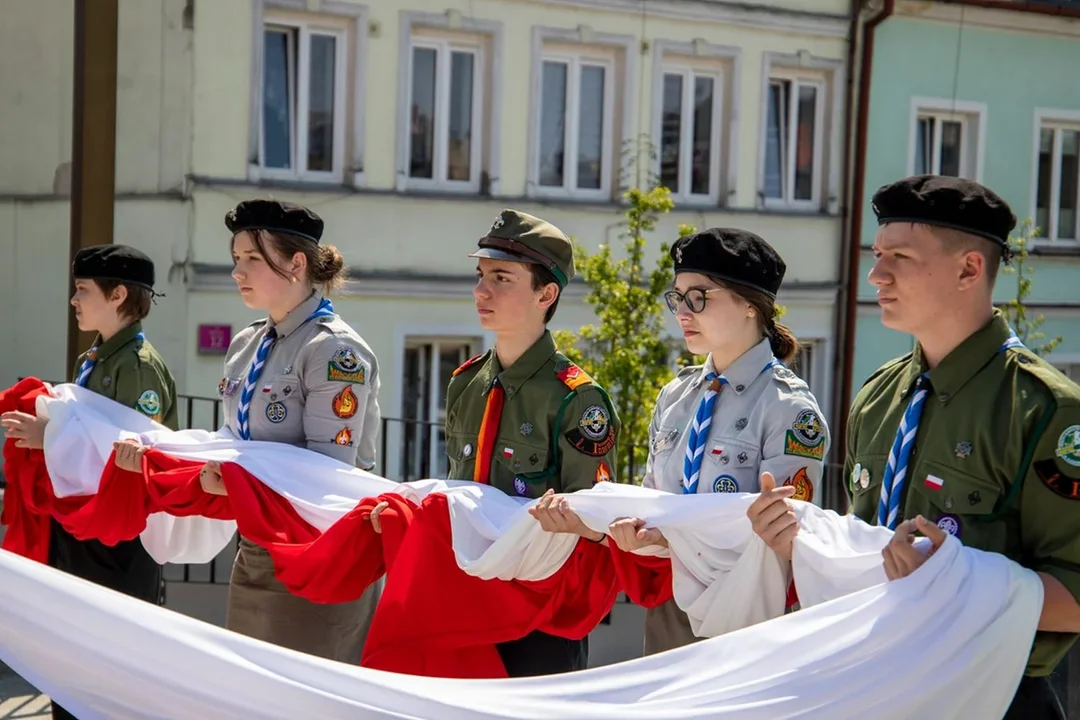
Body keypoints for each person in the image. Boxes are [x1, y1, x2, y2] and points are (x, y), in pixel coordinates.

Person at [749, 174, 1080, 719]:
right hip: (874, 681)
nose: (876, 274)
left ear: (969, 269)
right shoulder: (879, 397)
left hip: (989, 693)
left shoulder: (1042, 410)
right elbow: (868, 548)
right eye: (877, 255)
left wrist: (956, 582)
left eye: (899, 256)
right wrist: (800, 542)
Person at [117, 199, 383, 663]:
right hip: (259, 544)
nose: (238, 272)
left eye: (253, 260)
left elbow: (325, 476)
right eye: (236, 258)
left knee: (305, 699)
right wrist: (171, 459)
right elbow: (234, 441)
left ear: (296, 263)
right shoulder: (247, 343)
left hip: (321, 554)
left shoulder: (334, 352)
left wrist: (233, 482)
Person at [372, 208, 621, 677]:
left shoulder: (576, 397)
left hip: (539, 614)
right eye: (481, 275)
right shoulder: (466, 383)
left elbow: (598, 523)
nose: (481, 291)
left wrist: (569, 520)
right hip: (465, 600)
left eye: (501, 278)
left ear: (546, 293)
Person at [605, 228, 828, 655]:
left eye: (699, 297)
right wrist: (641, 532)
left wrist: (673, 534)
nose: (683, 313)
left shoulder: (788, 409)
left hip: (743, 615)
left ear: (749, 305)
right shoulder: (676, 396)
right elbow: (657, 501)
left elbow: (781, 535)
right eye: (677, 298)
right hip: (670, 606)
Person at [1, 244, 177, 720]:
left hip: (117, 543)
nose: (74, 300)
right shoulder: (98, 355)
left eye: (83, 290)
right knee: (75, 663)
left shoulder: (137, 364)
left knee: (110, 671)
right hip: (84, 530)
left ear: (118, 293)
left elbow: (138, 454)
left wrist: (51, 435)